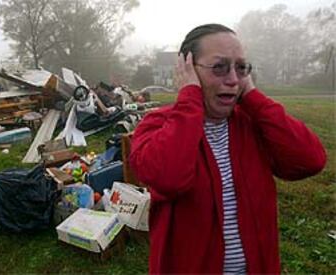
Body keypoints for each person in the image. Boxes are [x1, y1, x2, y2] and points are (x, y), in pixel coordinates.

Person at [129, 23, 326, 274]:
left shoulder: (252, 123)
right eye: (219, 67)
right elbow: (169, 178)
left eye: (241, 68)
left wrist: (253, 96)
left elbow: (310, 160)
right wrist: (189, 98)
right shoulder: (158, 125)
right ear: (188, 69)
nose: (233, 79)